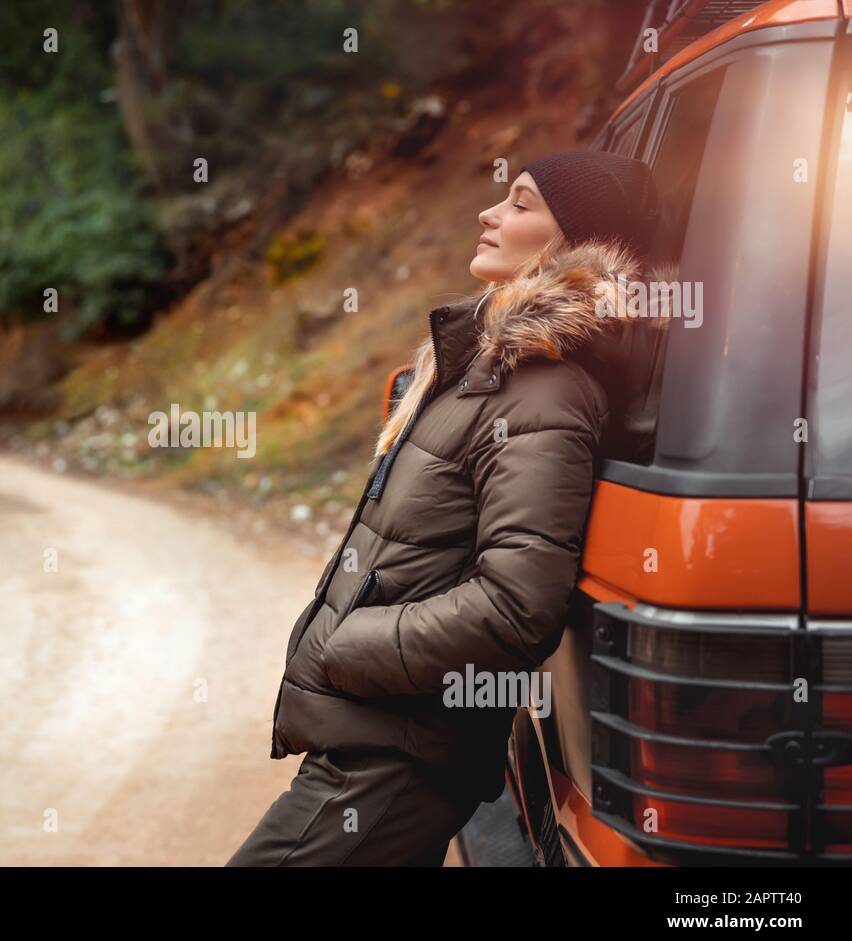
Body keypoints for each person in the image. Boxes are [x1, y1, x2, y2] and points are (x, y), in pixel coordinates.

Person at [226, 149, 674, 866]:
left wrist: (347, 646)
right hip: (373, 741)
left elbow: (516, 606)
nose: (489, 214)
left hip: (394, 761)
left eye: (522, 204)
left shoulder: (544, 392)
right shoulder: (487, 370)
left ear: (576, 243)